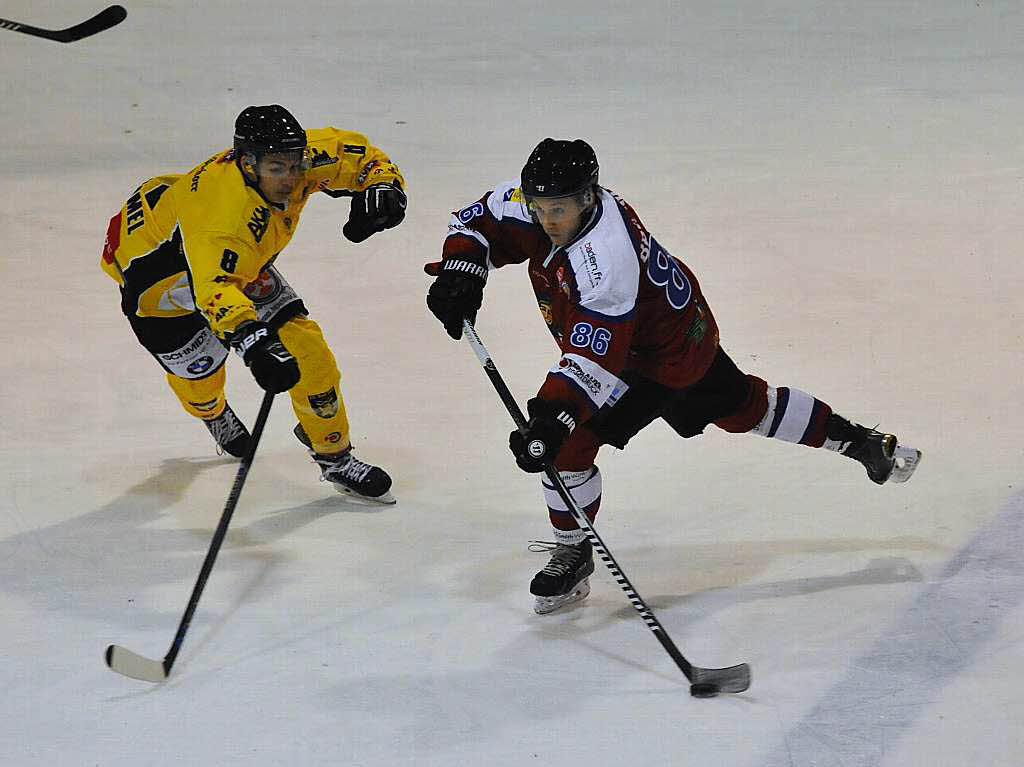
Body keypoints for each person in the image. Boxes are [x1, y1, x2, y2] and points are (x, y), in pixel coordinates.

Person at [425, 138, 922, 613]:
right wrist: (461, 271)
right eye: (540, 207)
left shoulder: (605, 262)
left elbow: (596, 359)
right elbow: (478, 220)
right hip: (677, 328)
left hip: (659, 355)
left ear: (588, 198)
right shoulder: (550, 205)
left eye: (560, 210)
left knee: (569, 441)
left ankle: (574, 550)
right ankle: (859, 442)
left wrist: (553, 415)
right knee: (746, 407)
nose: (548, 220)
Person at [101, 105, 406, 503]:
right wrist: (253, 341)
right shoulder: (221, 218)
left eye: (295, 165)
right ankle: (212, 412)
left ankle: (335, 456)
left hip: (238, 266)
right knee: (201, 377)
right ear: (247, 163)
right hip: (161, 284)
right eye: (276, 169)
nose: (290, 178)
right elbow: (214, 291)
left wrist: (383, 187)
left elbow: (358, 155)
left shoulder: (292, 159)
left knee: (310, 354)